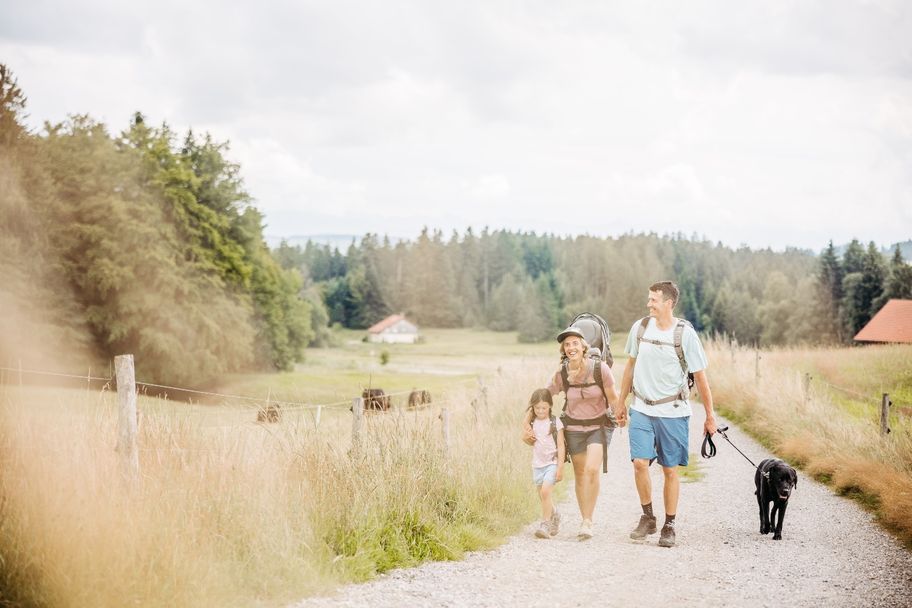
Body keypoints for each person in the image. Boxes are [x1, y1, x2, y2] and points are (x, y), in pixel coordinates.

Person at [615, 280, 717, 548]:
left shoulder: (685, 335)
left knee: (669, 469)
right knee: (640, 463)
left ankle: (669, 524)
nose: (648, 304)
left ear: (669, 303)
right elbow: (629, 367)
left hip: (673, 412)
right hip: (641, 409)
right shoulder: (640, 328)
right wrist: (620, 402)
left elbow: (700, 377)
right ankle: (648, 517)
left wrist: (710, 416)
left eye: (654, 300)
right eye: (649, 299)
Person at [523, 326, 622, 540]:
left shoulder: (601, 369)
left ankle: (587, 521)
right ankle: (582, 517)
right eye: (567, 345)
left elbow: (613, 398)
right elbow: (543, 397)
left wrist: (622, 415)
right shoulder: (562, 374)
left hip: (598, 426)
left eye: (575, 343)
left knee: (592, 469)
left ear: (583, 346)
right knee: (579, 473)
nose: (571, 347)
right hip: (574, 428)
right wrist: (526, 422)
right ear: (564, 350)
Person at [525, 389, 565, 539]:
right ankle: (555, 514)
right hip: (537, 464)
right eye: (537, 408)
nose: (541, 411)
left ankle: (545, 524)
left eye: (544, 407)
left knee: (545, 492)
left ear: (550, 406)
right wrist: (528, 416)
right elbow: (525, 430)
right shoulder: (532, 422)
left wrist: (560, 468)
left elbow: (561, 446)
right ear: (532, 407)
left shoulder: (555, 422)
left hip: (552, 463)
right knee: (542, 496)